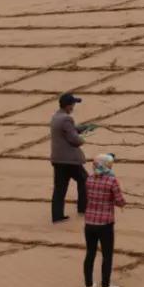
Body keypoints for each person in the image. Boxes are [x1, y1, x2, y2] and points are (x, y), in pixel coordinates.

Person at [83, 153, 126, 287]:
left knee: (90, 253)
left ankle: (89, 285)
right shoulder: (111, 181)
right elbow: (119, 200)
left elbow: (89, 196)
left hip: (89, 222)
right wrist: (119, 202)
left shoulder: (89, 179)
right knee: (107, 255)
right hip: (105, 223)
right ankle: (105, 286)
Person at [50, 92, 89, 223]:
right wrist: (82, 140)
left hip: (57, 159)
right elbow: (73, 139)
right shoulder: (67, 119)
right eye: (73, 104)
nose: (73, 107)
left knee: (59, 188)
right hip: (69, 160)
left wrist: (81, 128)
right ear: (68, 106)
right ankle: (83, 208)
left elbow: (67, 130)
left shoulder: (56, 116)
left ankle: (57, 215)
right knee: (84, 180)